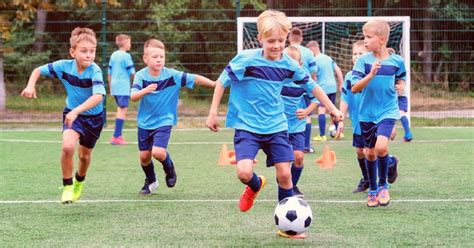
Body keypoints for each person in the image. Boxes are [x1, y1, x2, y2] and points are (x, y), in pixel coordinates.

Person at [206, 10, 342, 238]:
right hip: (248, 126)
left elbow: (312, 87)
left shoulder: (288, 64)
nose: (277, 45)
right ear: (260, 39)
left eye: (281, 40)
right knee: (243, 172)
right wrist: (212, 113)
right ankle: (255, 185)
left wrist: (332, 108)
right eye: (271, 41)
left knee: (285, 175)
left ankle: (288, 228)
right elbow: (221, 82)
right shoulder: (246, 60)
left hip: (277, 126)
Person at [20, 27, 106, 204]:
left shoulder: (95, 71)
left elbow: (98, 97)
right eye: (83, 51)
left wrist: (77, 111)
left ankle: (79, 182)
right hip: (72, 115)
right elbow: (38, 70)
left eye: (92, 51)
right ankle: (67, 186)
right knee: (67, 147)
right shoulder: (63, 67)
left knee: (84, 157)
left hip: (94, 119)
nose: (89, 55)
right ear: (72, 52)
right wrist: (30, 86)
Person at [131, 39, 215, 195]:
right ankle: (151, 180)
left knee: (158, 152)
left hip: (164, 120)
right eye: (155, 56)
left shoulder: (172, 75)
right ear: (145, 59)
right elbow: (133, 96)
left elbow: (194, 78)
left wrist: (214, 84)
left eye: (161, 57)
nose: (159, 60)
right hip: (144, 123)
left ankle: (169, 168)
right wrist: (146, 90)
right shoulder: (141, 76)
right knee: (144, 156)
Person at [351, 20, 406, 207]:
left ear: (381, 39)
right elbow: (355, 88)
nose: (364, 40)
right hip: (367, 113)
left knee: (381, 147)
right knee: (370, 153)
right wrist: (370, 75)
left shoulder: (397, 61)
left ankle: (383, 186)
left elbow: (401, 78)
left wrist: (401, 86)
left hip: (388, 111)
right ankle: (372, 190)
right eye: (364, 36)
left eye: (368, 37)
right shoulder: (363, 61)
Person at [338, 41, 398, 194]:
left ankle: (387, 167)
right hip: (359, 120)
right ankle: (368, 179)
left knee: (372, 151)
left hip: (376, 117)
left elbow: (388, 100)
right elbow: (345, 97)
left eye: (361, 54)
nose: (357, 57)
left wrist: (392, 125)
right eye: (354, 54)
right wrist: (340, 119)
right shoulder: (350, 76)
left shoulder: (379, 75)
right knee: (360, 151)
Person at [282, 45, 318, 198]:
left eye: (293, 63)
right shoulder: (277, 80)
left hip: (297, 126)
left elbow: (316, 99)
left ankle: (293, 186)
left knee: (299, 157)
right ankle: (285, 184)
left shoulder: (304, 80)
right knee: (283, 162)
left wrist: (307, 111)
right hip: (279, 126)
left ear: (300, 64)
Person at [287, 27, 318, 154]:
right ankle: (306, 145)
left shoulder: (284, 52)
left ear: (289, 38)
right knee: (305, 115)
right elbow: (314, 72)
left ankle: (299, 144)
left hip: (300, 88)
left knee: (301, 114)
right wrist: (313, 84)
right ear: (301, 38)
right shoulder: (309, 52)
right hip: (306, 85)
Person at [306, 40, 344, 141]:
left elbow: (313, 74)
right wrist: (341, 83)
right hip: (333, 87)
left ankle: (322, 135)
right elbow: (338, 70)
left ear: (312, 49)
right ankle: (339, 132)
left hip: (323, 88)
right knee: (332, 110)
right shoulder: (328, 58)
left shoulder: (314, 60)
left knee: (321, 110)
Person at [109, 34, 135, 145]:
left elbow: (109, 73)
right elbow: (132, 73)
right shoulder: (126, 56)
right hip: (123, 86)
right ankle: (116, 136)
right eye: (129, 42)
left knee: (120, 109)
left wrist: (110, 87)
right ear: (125, 43)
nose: (130, 44)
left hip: (114, 86)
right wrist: (139, 84)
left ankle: (117, 135)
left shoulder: (113, 55)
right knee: (122, 110)